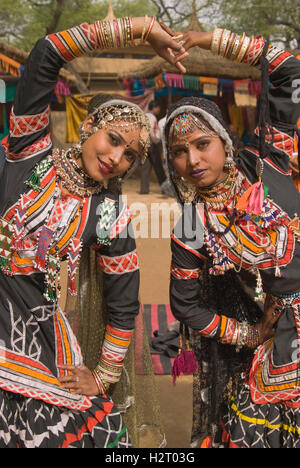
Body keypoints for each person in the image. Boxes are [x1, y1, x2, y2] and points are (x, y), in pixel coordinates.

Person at [0, 16, 187, 448]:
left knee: (98, 438)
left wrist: (101, 378)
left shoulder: (109, 214)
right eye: (113, 138)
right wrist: (140, 28)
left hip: (38, 340)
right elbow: (47, 55)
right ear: (88, 127)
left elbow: (124, 303)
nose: (116, 156)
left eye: (131, 155)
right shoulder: (28, 153)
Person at [162, 24, 300, 448]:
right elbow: (184, 305)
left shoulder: (268, 160)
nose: (193, 160)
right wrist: (247, 334)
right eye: (180, 152)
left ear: (223, 141)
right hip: (281, 339)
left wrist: (210, 41)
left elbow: (291, 73)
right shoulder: (191, 223)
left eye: (202, 144)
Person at [140, 100, 172, 195]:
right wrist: (157, 140)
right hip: (151, 145)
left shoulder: (144, 116)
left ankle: (144, 189)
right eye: (157, 107)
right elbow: (153, 133)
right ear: (154, 108)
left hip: (143, 144)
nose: (159, 109)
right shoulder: (152, 117)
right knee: (158, 167)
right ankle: (164, 188)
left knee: (146, 167)